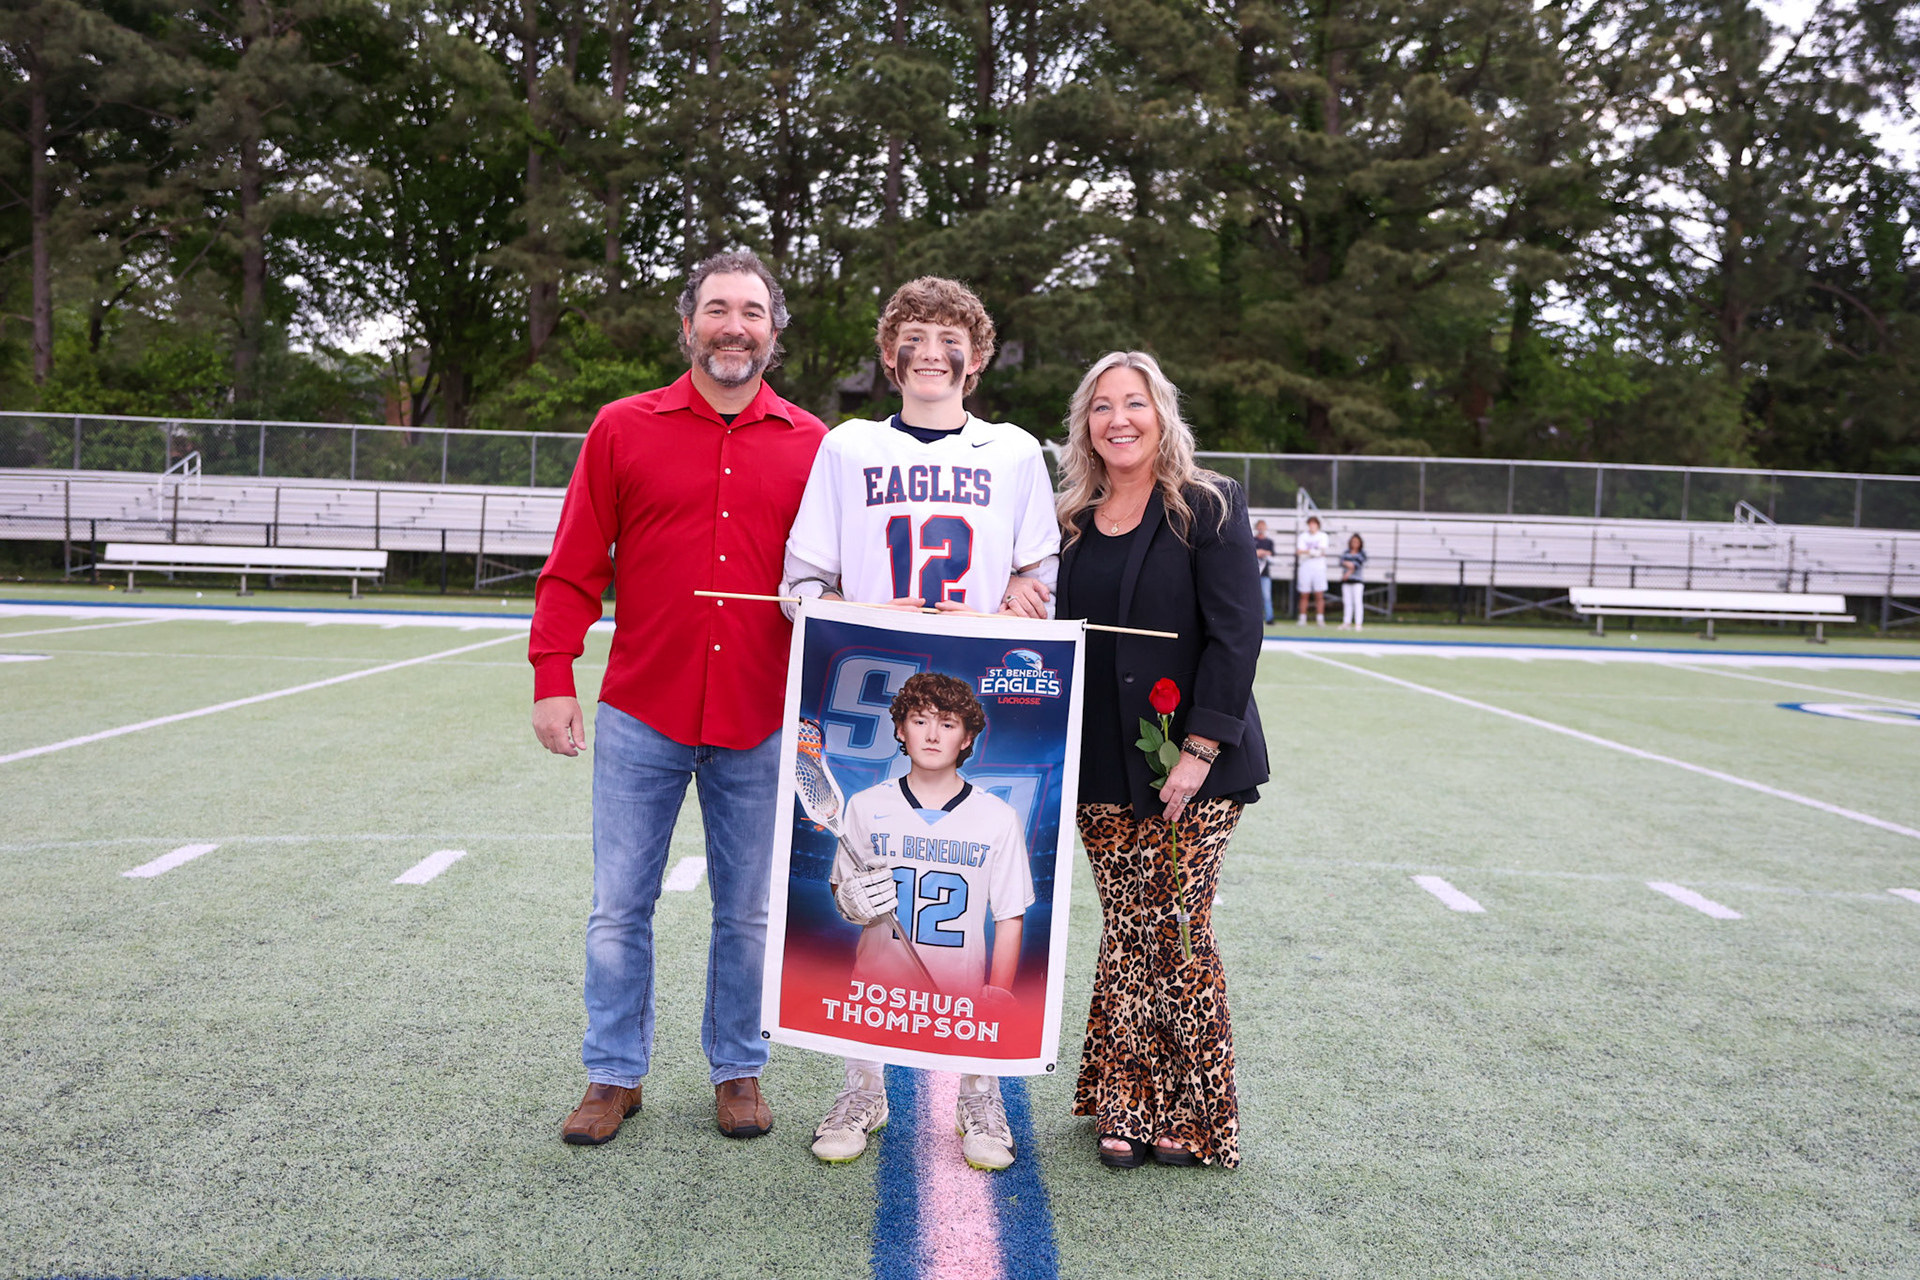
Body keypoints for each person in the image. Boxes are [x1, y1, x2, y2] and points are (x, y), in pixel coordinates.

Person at [529, 250, 827, 1147]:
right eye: (716, 310)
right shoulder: (623, 427)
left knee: (747, 911)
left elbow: (852, 578)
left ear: (774, 331)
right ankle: (612, 1075)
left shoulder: (818, 445)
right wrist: (553, 675)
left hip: (761, 718)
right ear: (688, 322)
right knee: (620, 906)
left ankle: (738, 1070)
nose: (733, 326)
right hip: (642, 711)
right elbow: (575, 563)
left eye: (751, 312)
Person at [782, 275, 1059, 1171]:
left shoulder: (1014, 451)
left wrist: (1020, 602)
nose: (930, 351)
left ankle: (980, 1093)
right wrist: (853, 612)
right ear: (889, 352)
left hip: (973, 686)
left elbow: (1040, 578)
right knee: (869, 891)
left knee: (970, 898)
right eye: (914, 335)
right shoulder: (848, 446)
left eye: (950, 338)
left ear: (975, 360)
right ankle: (863, 1085)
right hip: (869, 691)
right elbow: (801, 585)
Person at [1053, 350, 1268, 1170]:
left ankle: (1192, 1111)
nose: (1119, 419)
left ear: (1160, 412)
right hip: (1100, 764)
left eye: (1134, 403)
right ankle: (1121, 1103)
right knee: (1129, 925)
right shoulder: (1071, 519)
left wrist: (1199, 750)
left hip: (1195, 765)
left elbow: (1237, 632)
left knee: (1176, 925)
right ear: (1086, 425)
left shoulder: (1207, 505)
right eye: (1103, 406)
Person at [826, 676, 1034, 1158]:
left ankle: (978, 1099)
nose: (933, 734)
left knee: (976, 1040)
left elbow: (1009, 915)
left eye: (947, 723)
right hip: (878, 980)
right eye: (920, 721)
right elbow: (843, 891)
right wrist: (849, 902)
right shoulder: (865, 806)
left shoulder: (996, 817)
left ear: (967, 738)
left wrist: (999, 992)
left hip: (961, 983)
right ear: (900, 729)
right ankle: (864, 1093)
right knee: (867, 1025)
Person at [1295, 514, 1329, 625]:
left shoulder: (1323, 536)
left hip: (1319, 568)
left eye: (1314, 524)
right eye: (1310, 524)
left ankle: (1320, 618)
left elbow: (1322, 551)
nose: (1312, 526)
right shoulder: (1303, 536)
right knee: (1304, 594)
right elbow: (1299, 552)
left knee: (1319, 594)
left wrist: (1308, 552)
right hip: (1305, 567)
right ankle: (1302, 618)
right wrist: (1313, 552)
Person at [1339, 533, 1368, 630]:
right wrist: (1348, 565)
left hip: (1357, 581)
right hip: (1347, 581)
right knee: (1347, 602)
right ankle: (1347, 622)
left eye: (1357, 542)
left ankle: (1358, 623)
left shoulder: (1362, 553)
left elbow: (1356, 565)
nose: (1355, 544)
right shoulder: (1346, 552)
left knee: (1357, 602)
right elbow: (1341, 562)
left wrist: (1348, 572)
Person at [1252, 519, 1276, 626]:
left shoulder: (1269, 542)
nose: (1261, 528)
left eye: (1263, 526)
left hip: (1265, 573)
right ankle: (1253, 618)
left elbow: (1272, 554)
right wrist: (1258, 553)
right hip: (1253, 574)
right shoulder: (1252, 540)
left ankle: (1269, 618)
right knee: (1252, 597)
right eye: (1259, 526)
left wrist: (1264, 552)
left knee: (1266, 596)